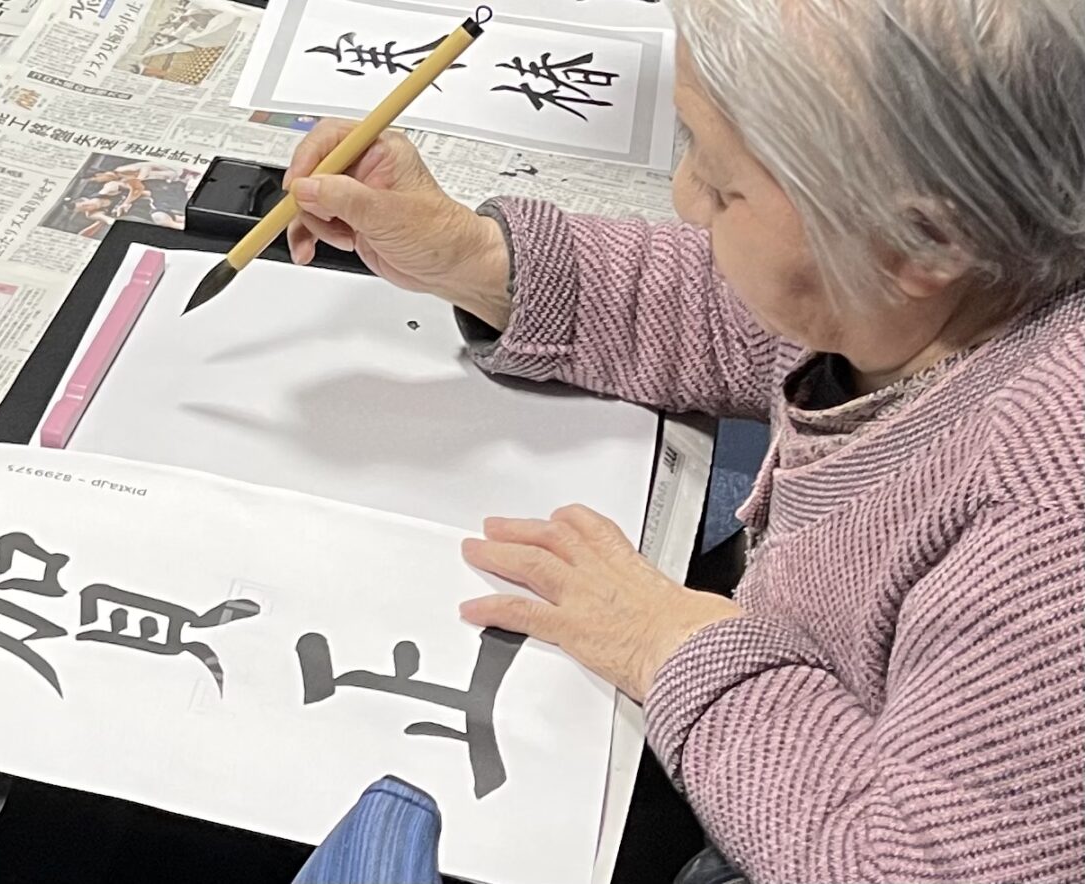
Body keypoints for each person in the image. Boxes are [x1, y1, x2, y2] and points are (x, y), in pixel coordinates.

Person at [281, 2, 1084, 882]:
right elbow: (752, 314)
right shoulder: (922, 292)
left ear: (922, 240)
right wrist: (475, 260)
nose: (684, 197)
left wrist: (672, 645)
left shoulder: (1045, 524)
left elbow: (918, 865)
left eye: (724, 184)